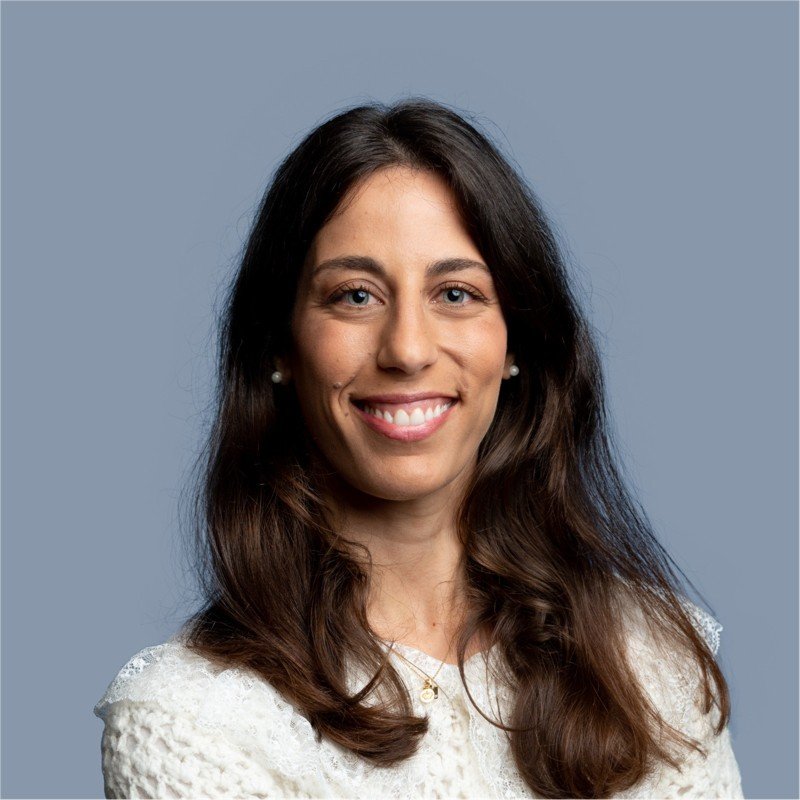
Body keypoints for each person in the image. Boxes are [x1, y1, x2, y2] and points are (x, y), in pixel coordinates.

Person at [94, 98, 743, 799]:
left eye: (456, 294)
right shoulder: (189, 721)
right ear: (279, 346)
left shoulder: (650, 663)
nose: (406, 349)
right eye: (356, 296)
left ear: (516, 342)